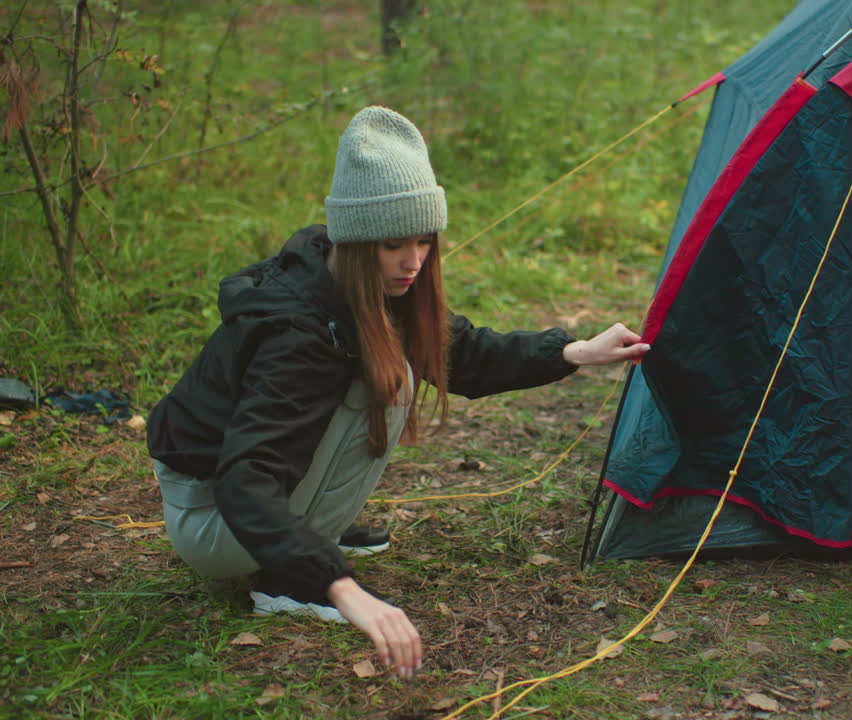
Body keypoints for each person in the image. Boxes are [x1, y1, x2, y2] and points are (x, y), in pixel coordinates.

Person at [146, 105, 649, 679]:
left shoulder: (350, 278)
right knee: (389, 382)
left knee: (398, 369)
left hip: (235, 503)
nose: (413, 262)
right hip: (215, 520)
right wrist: (335, 584)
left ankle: (314, 531)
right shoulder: (298, 334)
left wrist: (572, 351)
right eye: (393, 246)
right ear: (358, 241)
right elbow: (246, 478)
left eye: (423, 241)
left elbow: (460, 351)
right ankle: (288, 577)